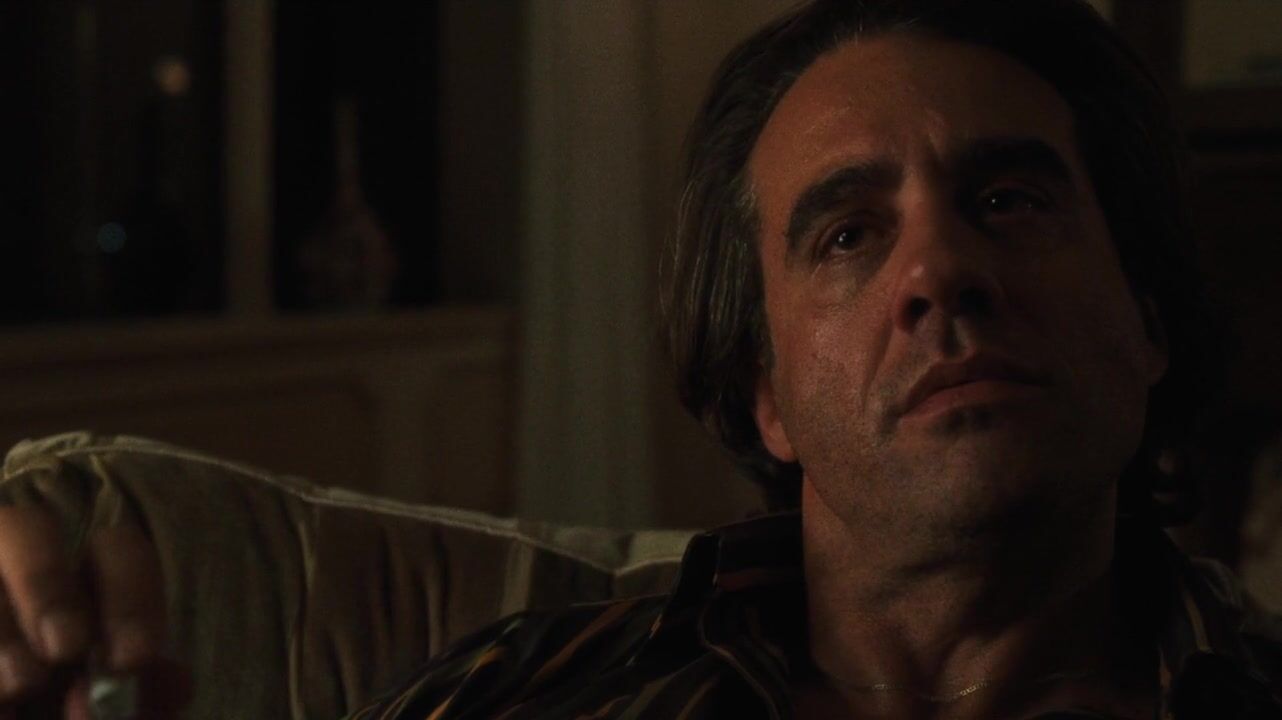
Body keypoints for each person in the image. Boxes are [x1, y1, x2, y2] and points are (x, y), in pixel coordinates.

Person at [1, 0, 1280, 718]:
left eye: (1007, 201)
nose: (939, 270)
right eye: (846, 233)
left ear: (1146, 318)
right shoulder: (534, 694)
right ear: (765, 395)